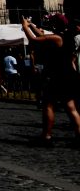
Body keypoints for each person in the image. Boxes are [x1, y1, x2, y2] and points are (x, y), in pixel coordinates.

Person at [21, 14, 80, 146]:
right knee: (71, 107)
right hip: (68, 74)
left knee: (48, 105)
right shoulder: (66, 37)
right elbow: (43, 36)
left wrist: (25, 27)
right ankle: (78, 136)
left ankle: (46, 136)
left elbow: (35, 39)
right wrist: (31, 25)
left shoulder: (58, 37)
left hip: (58, 76)